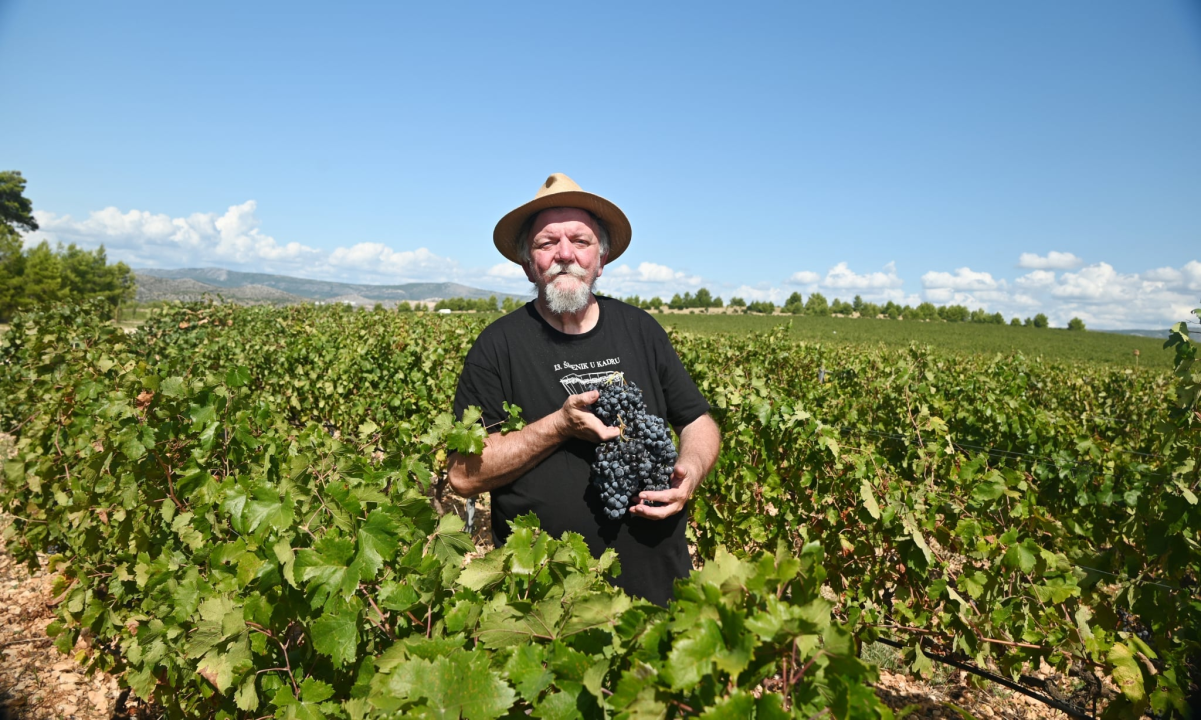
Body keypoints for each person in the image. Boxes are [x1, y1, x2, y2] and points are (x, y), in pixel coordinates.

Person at [447, 173, 721, 606]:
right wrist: (558, 426)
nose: (564, 254)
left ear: (601, 259)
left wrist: (691, 471)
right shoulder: (497, 346)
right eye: (546, 243)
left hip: (659, 589)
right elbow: (463, 476)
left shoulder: (641, 329)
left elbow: (697, 420)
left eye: (580, 240)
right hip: (547, 601)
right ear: (528, 264)